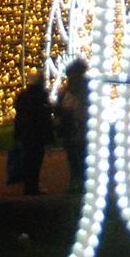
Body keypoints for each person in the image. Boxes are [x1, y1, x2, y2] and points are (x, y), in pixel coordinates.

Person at [12, 71, 54, 196]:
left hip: (26, 133)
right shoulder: (41, 96)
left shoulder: (23, 96)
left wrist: (18, 134)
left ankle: (29, 186)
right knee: (35, 161)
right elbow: (44, 117)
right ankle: (32, 187)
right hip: (37, 134)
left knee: (28, 161)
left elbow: (19, 117)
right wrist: (49, 136)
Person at [56, 60, 91, 192]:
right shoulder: (71, 91)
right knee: (78, 158)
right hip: (75, 129)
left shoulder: (71, 91)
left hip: (77, 129)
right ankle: (78, 183)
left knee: (77, 158)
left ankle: (78, 183)